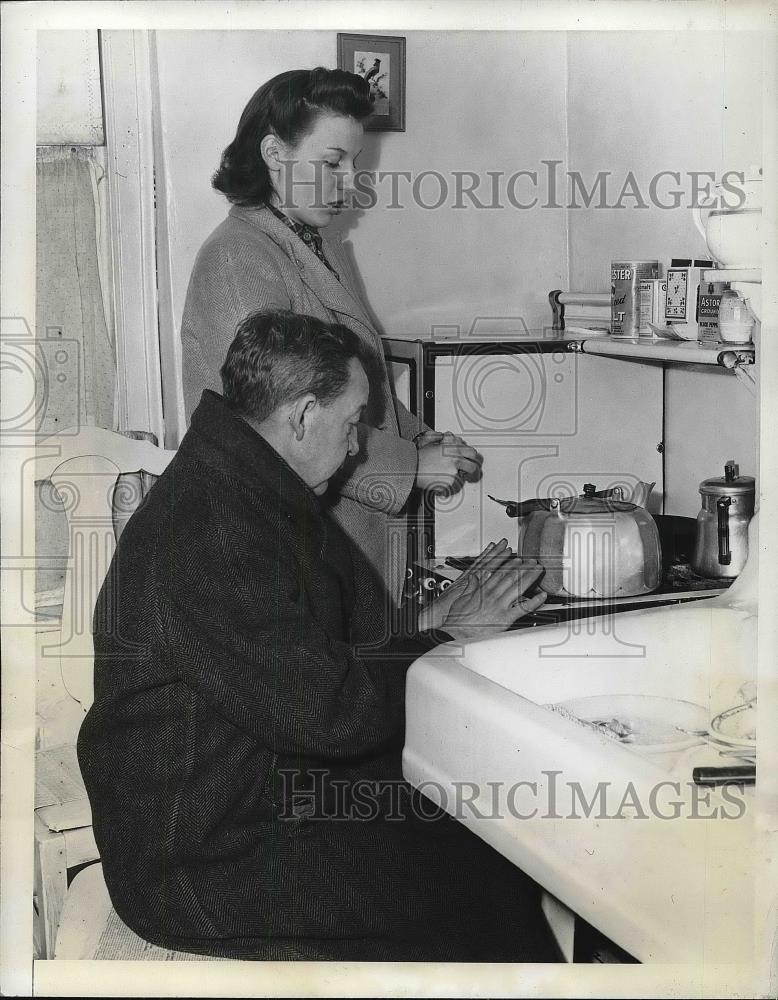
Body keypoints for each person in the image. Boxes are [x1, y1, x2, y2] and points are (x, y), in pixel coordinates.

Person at [78, 311, 552, 962]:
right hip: (200, 856)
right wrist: (451, 636)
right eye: (353, 422)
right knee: (477, 875)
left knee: (487, 834)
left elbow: (310, 658)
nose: (358, 445)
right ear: (302, 417)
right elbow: (328, 713)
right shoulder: (215, 533)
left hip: (248, 792)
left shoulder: (242, 482)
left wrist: (438, 624)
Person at [180, 66, 481, 615]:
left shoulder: (318, 244)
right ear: (274, 153)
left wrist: (423, 441)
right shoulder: (238, 257)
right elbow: (280, 425)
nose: (348, 182)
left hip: (341, 527)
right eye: (330, 163)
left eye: (354, 164)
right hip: (291, 541)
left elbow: (355, 382)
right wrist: (410, 468)